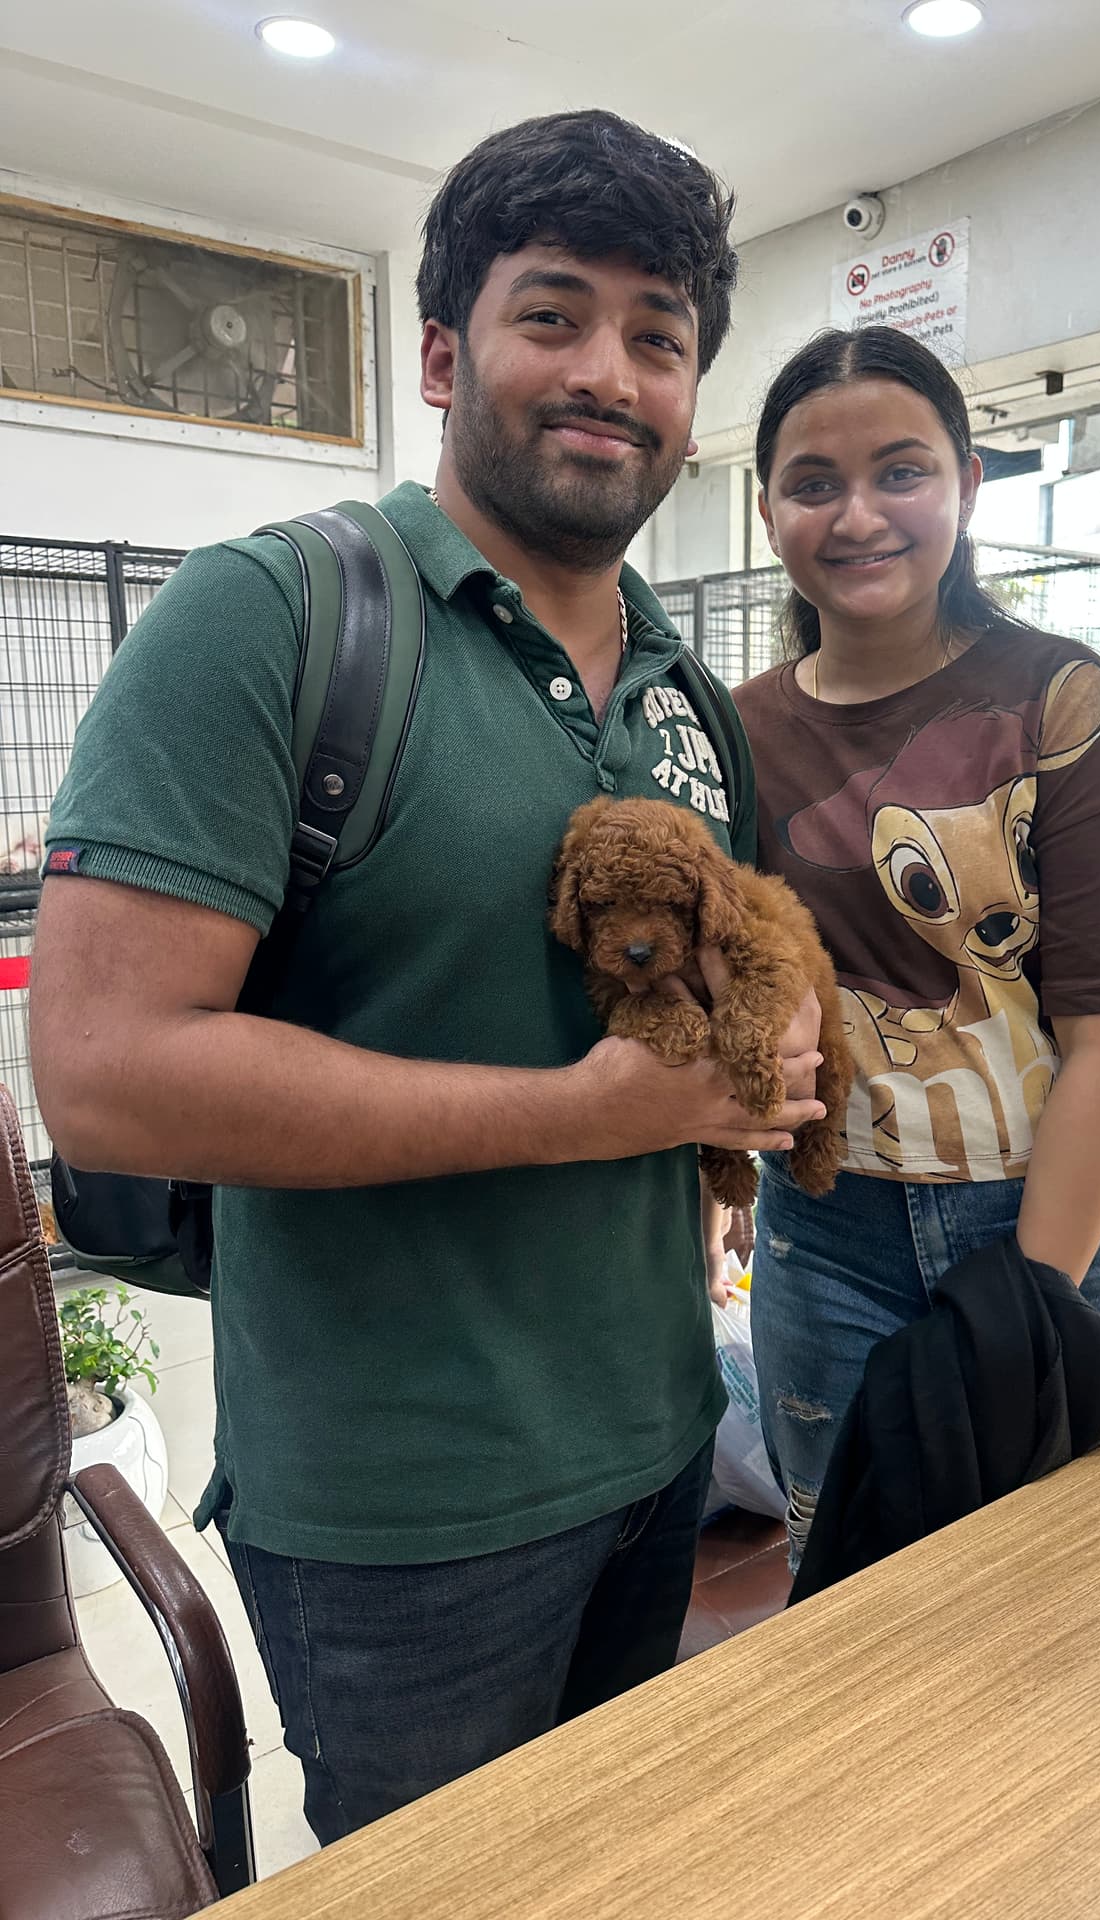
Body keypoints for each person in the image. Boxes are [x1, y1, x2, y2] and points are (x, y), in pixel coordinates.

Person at [29, 110, 823, 1842]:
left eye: (660, 336)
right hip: (404, 1516)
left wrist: (763, 1065)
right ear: (447, 350)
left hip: (666, 1443)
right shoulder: (277, 620)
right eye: (555, 315)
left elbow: (721, 975)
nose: (609, 371)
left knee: (622, 1872)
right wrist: (577, 1114)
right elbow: (98, 1067)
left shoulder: (690, 692)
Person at [731, 325, 1100, 1571]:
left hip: (1072, 1223)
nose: (860, 515)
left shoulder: (1062, 702)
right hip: (830, 1233)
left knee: (1085, 1594)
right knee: (849, 1594)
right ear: (767, 506)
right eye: (814, 482)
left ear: (969, 484)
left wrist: (1020, 1306)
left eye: (903, 471)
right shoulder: (740, 735)